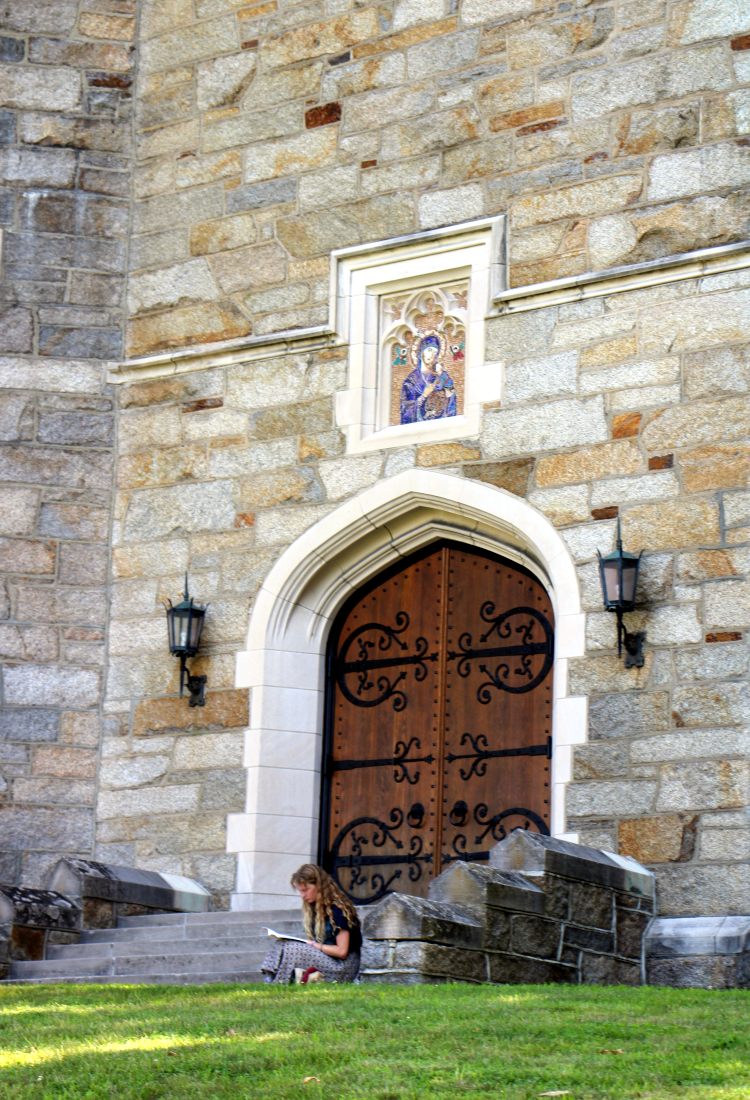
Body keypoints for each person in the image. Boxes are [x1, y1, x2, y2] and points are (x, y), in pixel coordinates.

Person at [261, 864, 362, 984]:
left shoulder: (339, 909)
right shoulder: (317, 909)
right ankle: (270, 979)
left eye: (305, 890)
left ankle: (279, 982)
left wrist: (313, 945)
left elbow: (342, 952)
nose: (303, 896)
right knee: (281, 943)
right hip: (328, 959)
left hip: (343, 967)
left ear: (319, 886)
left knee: (291, 948)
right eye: (300, 891)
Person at [399, 333, 456, 424]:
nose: (432, 355)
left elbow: (451, 403)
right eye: (429, 350)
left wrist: (445, 393)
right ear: (421, 351)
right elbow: (405, 414)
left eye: (435, 352)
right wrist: (424, 395)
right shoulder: (411, 382)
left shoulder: (442, 376)